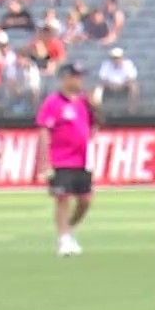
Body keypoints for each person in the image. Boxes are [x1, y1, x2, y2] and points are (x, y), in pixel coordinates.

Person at [35, 64, 96, 257]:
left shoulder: (85, 102)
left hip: (82, 160)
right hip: (61, 160)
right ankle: (64, 238)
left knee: (85, 200)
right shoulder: (53, 102)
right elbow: (44, 130)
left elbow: (94, 125)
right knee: (63, 198)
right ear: (65, 78)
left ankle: (68, 229)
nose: (80, 81)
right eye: (76, 77)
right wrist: (45, 161)